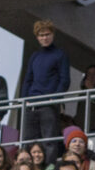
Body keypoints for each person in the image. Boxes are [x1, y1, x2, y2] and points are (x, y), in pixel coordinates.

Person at [19, 22, 72, 154]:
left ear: (53, 34)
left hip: (49, 104)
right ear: (37, 37)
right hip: (31, 104)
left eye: (47, 34)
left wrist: (54, 99)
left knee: (49, 140)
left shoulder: (60, 54)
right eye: (41, 35)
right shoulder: (35, 56)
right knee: (27, 141)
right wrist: (24, 100)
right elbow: (28, 79)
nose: (44, 38)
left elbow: (65, 80)